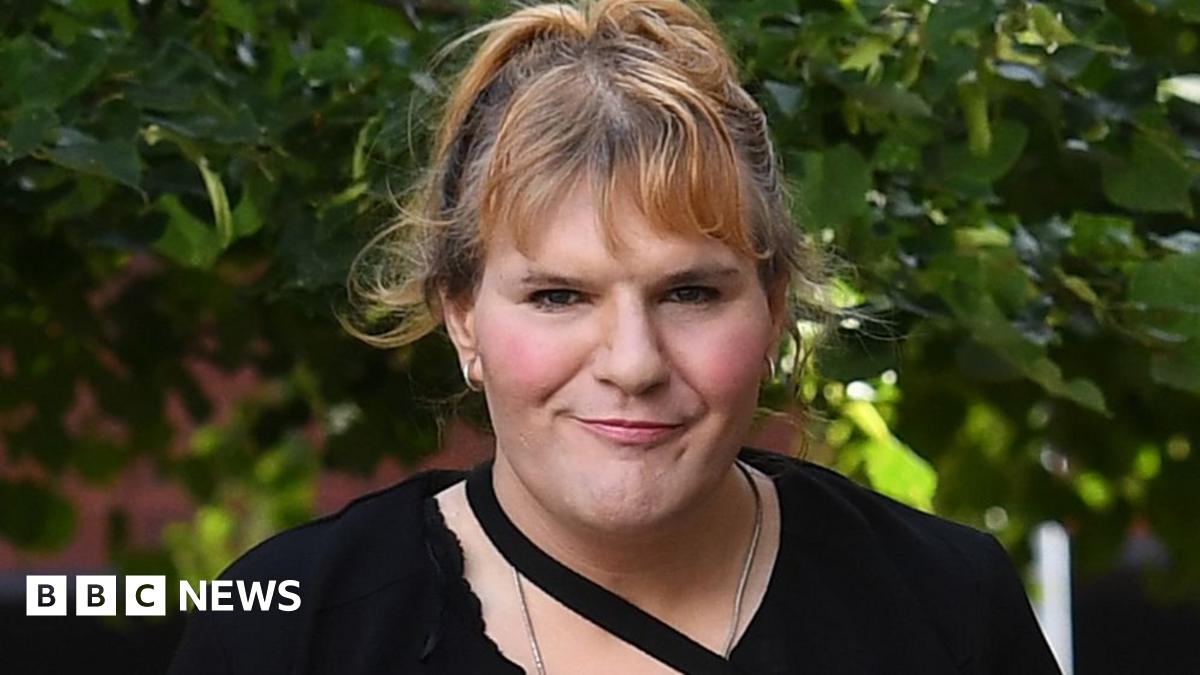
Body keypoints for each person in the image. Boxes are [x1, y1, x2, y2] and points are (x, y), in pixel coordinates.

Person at [168, 0, 1063, 673]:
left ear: (775, 305)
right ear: (462, 315)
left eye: (690, 292)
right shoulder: (292, 627)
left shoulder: (945, 606)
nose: (632, 363)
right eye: (559, 295)